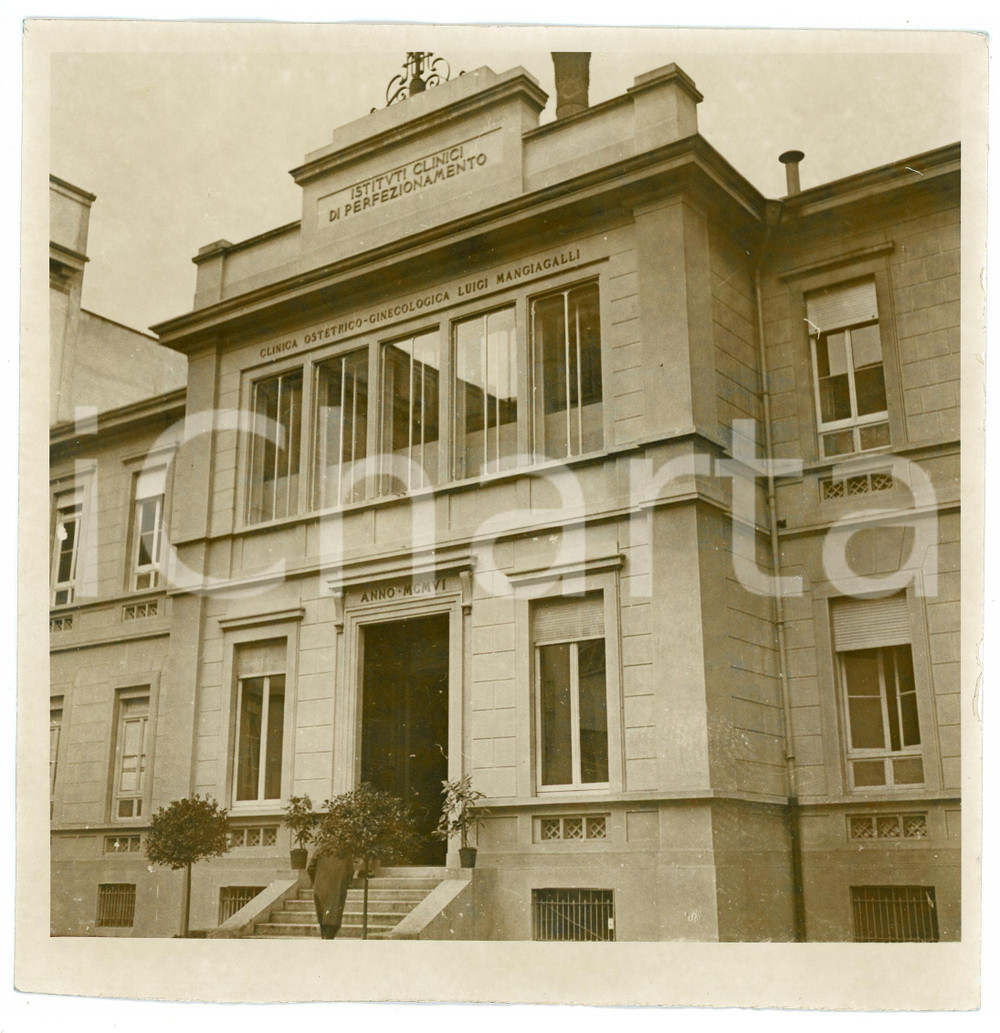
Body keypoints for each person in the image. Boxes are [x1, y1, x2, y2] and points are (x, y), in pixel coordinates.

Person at [307, 849, 355, 939]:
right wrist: (346, 883)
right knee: (334, 920)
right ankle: (328, 940)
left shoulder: (320, 852)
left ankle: (325, 938)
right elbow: (350, 871)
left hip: (320, 889)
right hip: (337, 889)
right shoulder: (344, 853)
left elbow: (310, 868)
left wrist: (316, 882)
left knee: (323, 920)